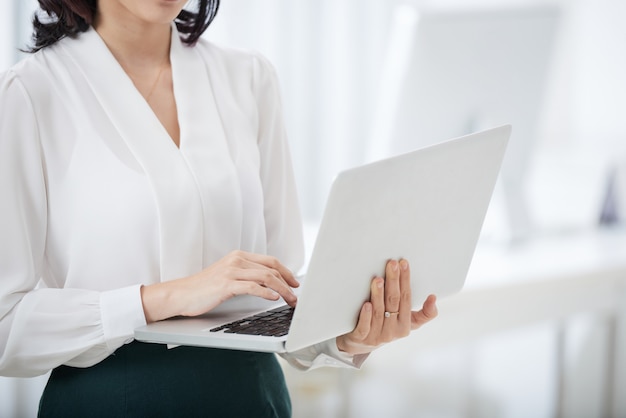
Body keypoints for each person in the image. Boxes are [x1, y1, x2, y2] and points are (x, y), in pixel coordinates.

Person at [0, 0, 438, 416]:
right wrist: (164, 297)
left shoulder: (247, 77)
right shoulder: (30, 95)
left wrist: (348, 337)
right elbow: (6, 325)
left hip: (251, 396)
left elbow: (282, 290)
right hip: (112, 399)